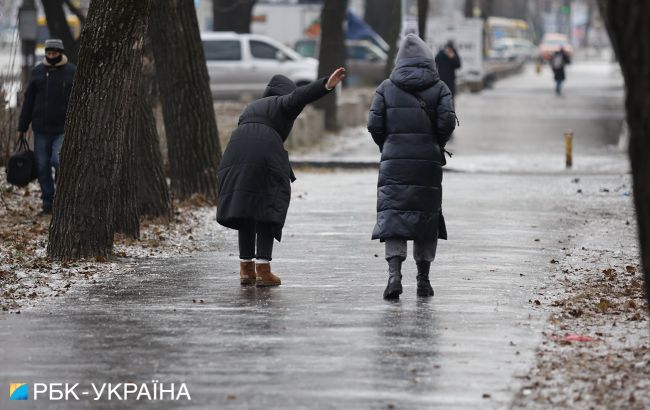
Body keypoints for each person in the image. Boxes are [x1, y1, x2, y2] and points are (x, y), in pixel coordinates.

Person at [217, 68, 346, 287]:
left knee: (245, 209)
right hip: (263, 153)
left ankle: (246, 269)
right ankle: (264, 269)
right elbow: (301, 96)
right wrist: (326, 84)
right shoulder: (283, 103)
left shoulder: (253, 107)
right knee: (268, 205)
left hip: (235, 152)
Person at [368, 33, 456, 300]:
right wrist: (433, 143)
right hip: (427, 163)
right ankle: (423, 280)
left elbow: (374, 125)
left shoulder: (385, 88)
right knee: (425, 217)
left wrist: (389, 145)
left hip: (394, 161)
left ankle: (394, 275)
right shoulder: (439, 88)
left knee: (394, 215)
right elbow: (447, 123)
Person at [17, 39, 76, 214]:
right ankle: (48, 201)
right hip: (41, 128)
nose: (52, 56)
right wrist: (22, 126)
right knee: (42, 165)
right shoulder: (37, 72)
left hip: (62, 128)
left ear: (61, 53)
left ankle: (63, 198)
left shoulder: (71, 71)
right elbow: (29, 102)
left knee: (58, 161)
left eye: (55, 53)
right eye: (49, 53)